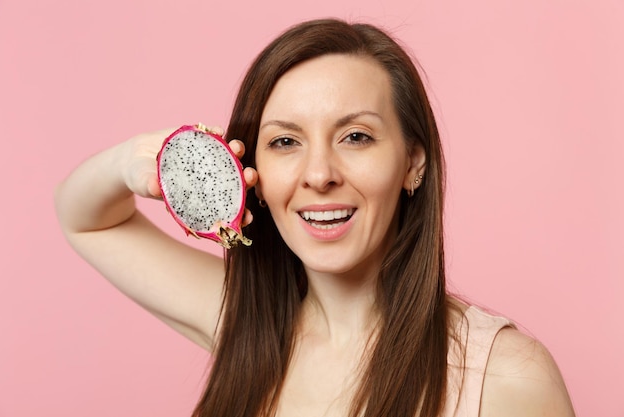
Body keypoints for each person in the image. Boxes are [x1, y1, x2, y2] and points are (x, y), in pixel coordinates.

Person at [55, 18, 575, 417]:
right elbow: (85, 218)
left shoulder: (507, 378)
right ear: (252, 171)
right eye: (285, 141)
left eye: (356, 137)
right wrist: (139, 159)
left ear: (412, 163)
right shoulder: (249, 326)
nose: (319, 174)